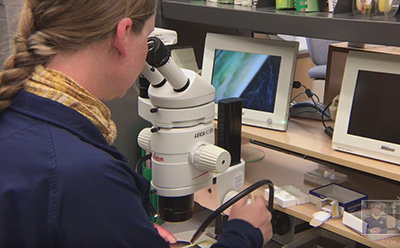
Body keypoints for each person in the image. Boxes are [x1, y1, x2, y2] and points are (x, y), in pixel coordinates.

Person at [0, 1, 273, 247]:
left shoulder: (18, 116)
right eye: (148, 37)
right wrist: (244, 232)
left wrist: (126, 228)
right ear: (123, 35)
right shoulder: (85, 175)